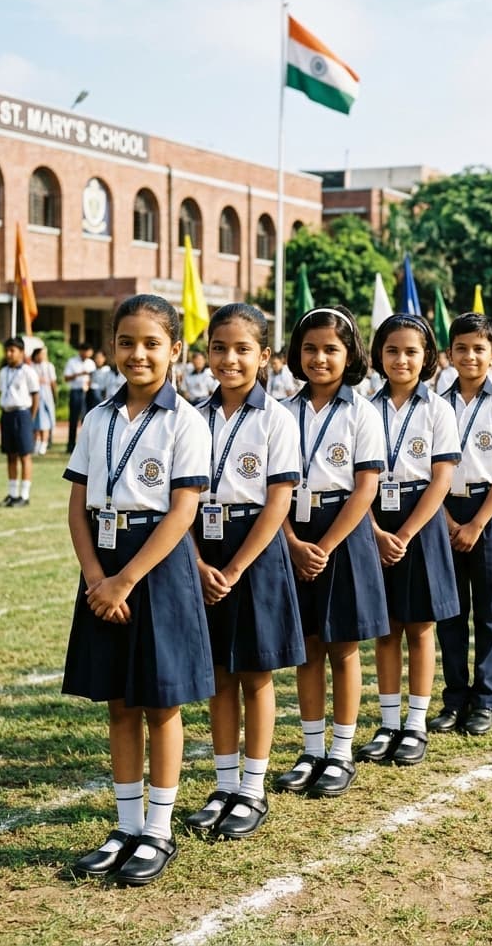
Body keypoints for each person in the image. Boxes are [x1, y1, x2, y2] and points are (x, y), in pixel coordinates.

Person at [61, 294, 213, 887]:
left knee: (160, 699)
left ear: (176, 350)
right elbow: (77, 508)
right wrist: (97, 577)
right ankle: (126, 825)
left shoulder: (186, 420)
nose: (138, 354)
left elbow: (182, 513)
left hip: (158, 567)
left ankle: (158, 829)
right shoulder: (97, 419)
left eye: (152, 343)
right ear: (112, 347)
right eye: (127, 342)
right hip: (102, 565)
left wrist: (126, 577)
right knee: (118, 702)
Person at [185, 303, 305, 839]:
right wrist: (196, 560)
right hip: (199, 548)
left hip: (254, 552)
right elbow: (177, 499)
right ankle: (224, 781)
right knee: (218, 675)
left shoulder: (277, 418)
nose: (229, 359)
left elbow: (279, 500)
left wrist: (233, 566)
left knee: (255, 673)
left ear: (265, 356)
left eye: (242, 349)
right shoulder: (191, 416)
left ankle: (252, 788)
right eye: (219, 348)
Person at [274, 306, 388, 798]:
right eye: (310, 348)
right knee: (308, 647)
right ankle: (312, 748)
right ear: (297, 354)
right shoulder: (280, 411)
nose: (320, 358)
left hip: (342, 533)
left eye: (331, 349)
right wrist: (294, 543)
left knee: (342, 647)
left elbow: (366, 488)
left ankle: (341, 752)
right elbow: (266, 487)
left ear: (351, 354)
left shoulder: (362, 411)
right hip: (290, 530)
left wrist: (321, 546)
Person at [358, 315, 460, 767]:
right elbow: (353, 479)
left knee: (419, 626)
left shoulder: (438, 409)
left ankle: (415, 724)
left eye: (412, 351)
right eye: (392, 350)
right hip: (372, 518)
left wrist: (403, 534)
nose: (402, 359)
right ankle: (387, 721)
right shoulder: (363, 408)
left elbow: (441, 481)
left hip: (420, 523)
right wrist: (377, 532)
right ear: (379, 355)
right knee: (386, 627)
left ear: (428, 357)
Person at [430, 313, 492, 736]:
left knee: (488, 611)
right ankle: (454, 697)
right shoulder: (435, 403)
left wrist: (477, 523)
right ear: (449, 354)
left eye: (479, 349)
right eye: (461, 348)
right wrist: (447, 518)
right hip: (442, 511)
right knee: (450, 612)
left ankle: (485, 698)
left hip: (489, 514)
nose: (470, 356)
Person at [0, 337, 40, 508]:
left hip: (22, 414)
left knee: (24, 455)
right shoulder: (3, 372)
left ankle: (24, 494)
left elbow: (35, 395)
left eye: (12, 351)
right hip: (7, 414)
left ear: (21, 353)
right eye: (7, 350)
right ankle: (12, 493)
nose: (9, 354)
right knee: (10, 455)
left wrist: (30, 417)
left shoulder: (28, 371)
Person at [64, 343, 96, 452]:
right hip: (76, 391)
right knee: (73, 419)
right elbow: (66, 378)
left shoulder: (91, 363)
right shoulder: (72, 362)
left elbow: (94, 377)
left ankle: (85, 446)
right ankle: (71, 445)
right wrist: (80, 374)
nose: (87, 354)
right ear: (81, 351)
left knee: (87, 418)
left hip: (88, 391)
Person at [31, 346, 57, 455]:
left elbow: (53, 382)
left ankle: (44, 443)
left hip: (46, 396)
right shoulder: (31, 367)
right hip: (34, 396)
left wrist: (55, 395)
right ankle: (36, 443)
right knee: (35, 421)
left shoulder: (49, 366)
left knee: (45, 421)